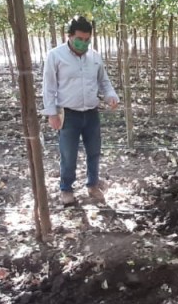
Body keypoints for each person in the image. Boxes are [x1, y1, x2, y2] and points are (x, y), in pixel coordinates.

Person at [41, 16, 119, 206]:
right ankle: (66, 188)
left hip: (91, 113)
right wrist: (51, 113)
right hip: (68, 114)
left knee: (94, 152)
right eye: (79, 39)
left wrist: (110, 95)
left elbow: (103, 81)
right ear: (69, 36)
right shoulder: (55, 56)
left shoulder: (95, 56)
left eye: (87, 40)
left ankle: (92, 185)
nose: (83, 43)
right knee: (68, 154)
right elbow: (48, 87)